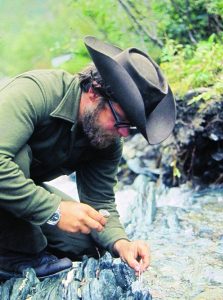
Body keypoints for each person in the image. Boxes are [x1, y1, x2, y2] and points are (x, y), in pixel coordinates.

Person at [0, 36, 176, 280]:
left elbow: (100, 201)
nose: (124, 133)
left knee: (86, 243)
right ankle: (13, 256)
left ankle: (20, 247)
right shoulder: (35, 91)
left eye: (132, 127)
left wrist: (121, 243)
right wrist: (55, 210)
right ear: (94, 91)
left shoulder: (107, 138)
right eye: (122, 120)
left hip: (13, 194)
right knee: (13, 157)